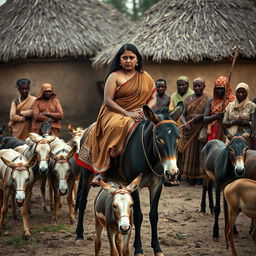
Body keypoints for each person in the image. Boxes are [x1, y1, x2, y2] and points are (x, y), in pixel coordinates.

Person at [76, 43, 156, 185]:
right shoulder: (114, 76)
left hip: (140, 112)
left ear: (137, 60)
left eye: (132, 57)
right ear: (119, 60)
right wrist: (127, 113)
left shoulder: (146, 76)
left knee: (159, 129)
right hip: (114, 112)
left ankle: (160, 169)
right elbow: (107, 100)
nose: (128, 61)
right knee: (117, 125)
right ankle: (103, 171)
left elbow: (153, 98)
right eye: (125, 57)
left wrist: (145, 111)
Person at [178, 78, 210, 185]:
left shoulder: (207, 99)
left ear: (203, 87)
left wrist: (200, 117)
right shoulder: (187, 99)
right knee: (188, 152)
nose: (197, 88)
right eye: (195, 86)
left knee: (199, 153)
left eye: (199, 86)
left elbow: (207, 115)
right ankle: (188, 176)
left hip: (200, 129)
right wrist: (184, 123)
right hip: (188, 130)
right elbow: (182, 115)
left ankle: (200, 178)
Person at [204, 76, 235, 141]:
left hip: (228, 130)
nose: (219, 91)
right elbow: (205, 119)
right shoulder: (211, 101)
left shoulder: (232, 101)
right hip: (213, 130)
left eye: (222, 89)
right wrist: (216, 116)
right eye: (217, 89)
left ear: (227, 88)